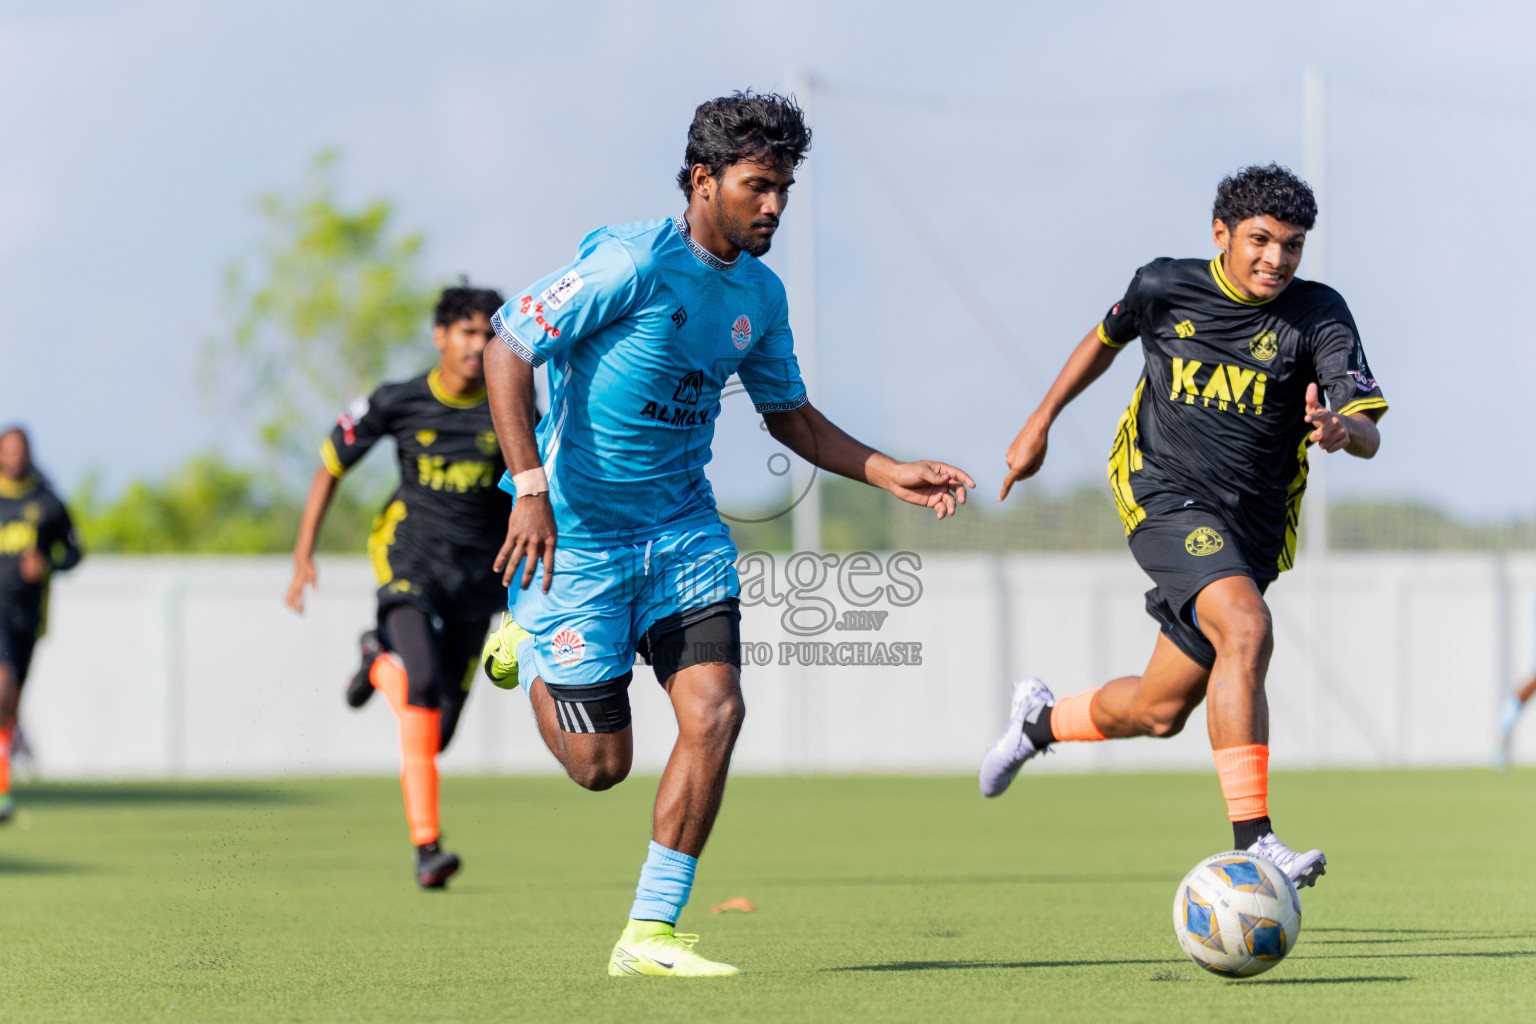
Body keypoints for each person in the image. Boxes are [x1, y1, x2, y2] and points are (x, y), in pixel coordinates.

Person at [480, 91, 974, 976]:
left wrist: (887, 469)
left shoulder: (761, 292)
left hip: (682, 534)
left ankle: (650, 934)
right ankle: (522, 634)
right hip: (578, 538)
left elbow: (789, 414)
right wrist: (528, 490)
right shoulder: (629, 263)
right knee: (599, 769)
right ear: (703, 180)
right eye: (758, 186)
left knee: (717, 711)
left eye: (784, 187)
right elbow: (507, 347)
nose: (775, 205)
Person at [979, 164, 1387, 889]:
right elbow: (1104, 339)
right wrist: (1040, 422)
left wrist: (1338, 429)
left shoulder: (1321, 314)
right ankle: (1255, 841)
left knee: (1158, 710)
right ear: (1221, 235)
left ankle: (1038, 721)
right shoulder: (1165, 285)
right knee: (1248, 627)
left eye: (1292, 245)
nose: (1276, 259)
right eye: (1260, 240)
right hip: (1159, 490)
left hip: (1251, 530)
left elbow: (1368, 429)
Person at [285, 285, 517, 889]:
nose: (478, 346)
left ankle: (374, 659)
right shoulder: (397, 400)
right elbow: (330, 465)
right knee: (423, 683)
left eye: (490, 335)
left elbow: (545, 487)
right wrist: (304, 552)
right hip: (408, 557)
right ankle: (427, 849)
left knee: (434, 732)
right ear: (440, 336)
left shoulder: (511, 406)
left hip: (477, 578)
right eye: (468, 333)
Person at [0, 427, 82, 821]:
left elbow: (75, 551)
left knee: (10, 704)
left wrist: (47, 564)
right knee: (2, 686)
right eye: (8, 451)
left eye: (21, 451)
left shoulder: (46, 502)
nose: (14, 457)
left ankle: (2, 790)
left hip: (27, 618)